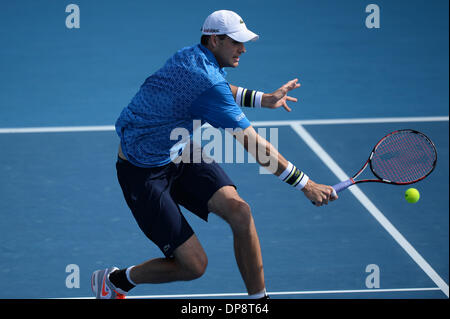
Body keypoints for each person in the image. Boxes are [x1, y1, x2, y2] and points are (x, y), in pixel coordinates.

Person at [91, 9, 337, 299]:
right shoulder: (205, 80)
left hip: (180, 150)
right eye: (235, 42)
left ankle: (259, 301)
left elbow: (217, 87)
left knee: (240, 212)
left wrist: (262, 99)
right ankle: (117, 280)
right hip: (141, 171)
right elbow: (256, 145)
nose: (243, 49)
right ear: (214, 40)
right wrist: (305, 184)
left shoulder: (192, 56)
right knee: (194, 266)